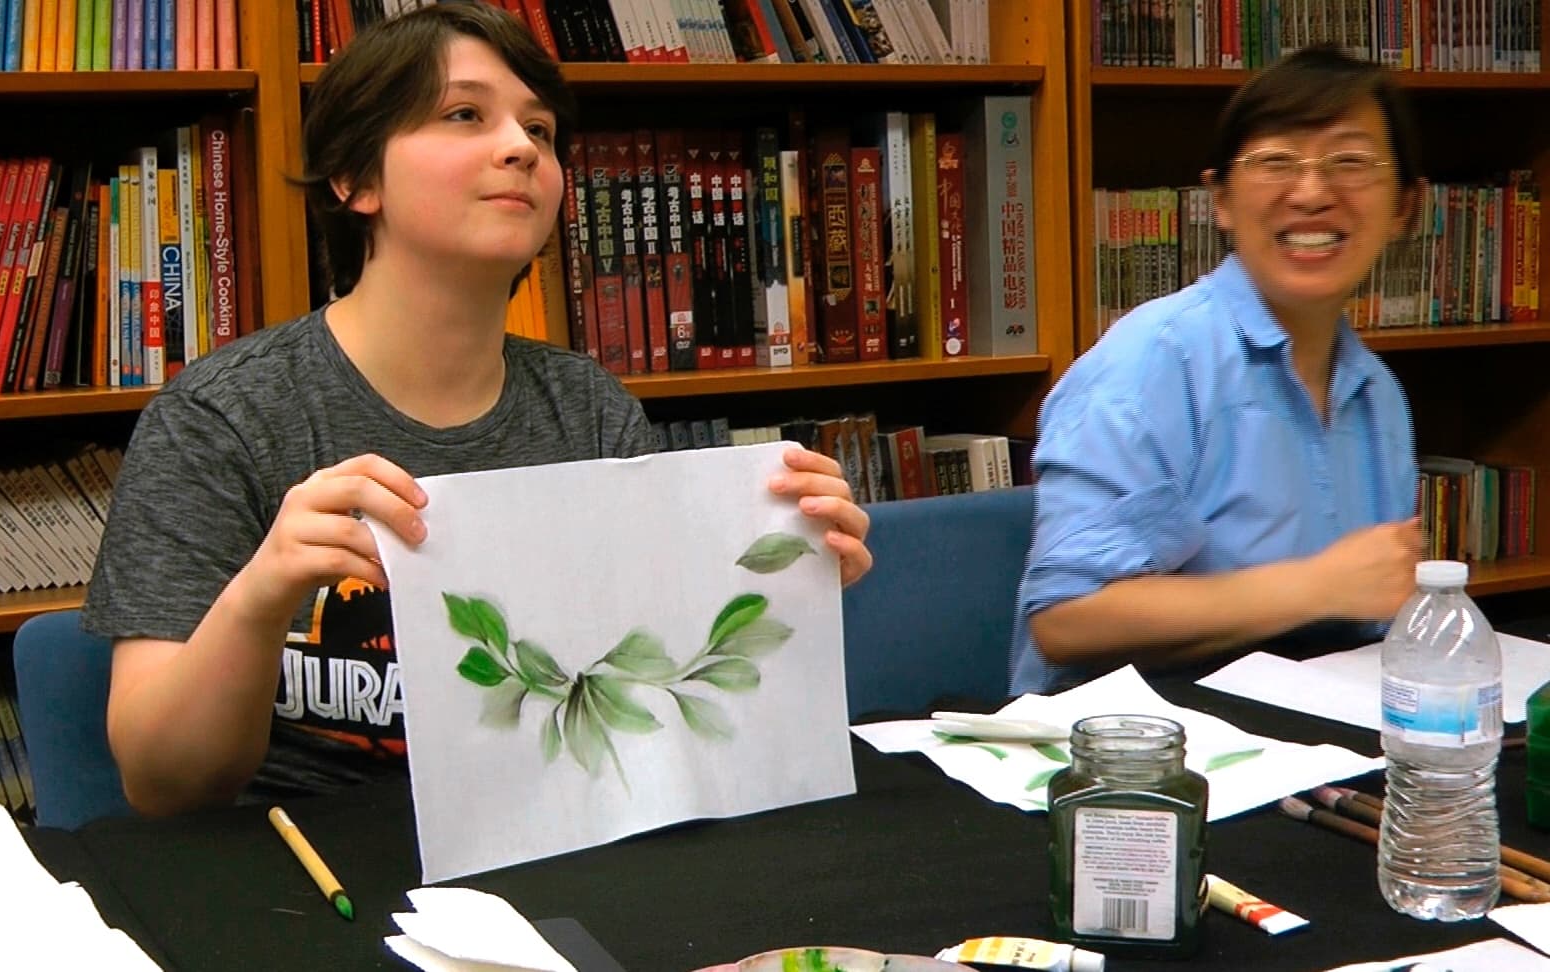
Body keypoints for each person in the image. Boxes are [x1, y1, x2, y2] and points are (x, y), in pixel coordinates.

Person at [83, 3, 872, 817]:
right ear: (355, 178)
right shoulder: (222, 417)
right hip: (311, 866)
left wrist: (784, 582)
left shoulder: (589, 411)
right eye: (465, 115)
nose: (520, 147)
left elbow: (648, 706)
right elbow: (162, 783)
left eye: (539, 129)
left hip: (552, 837)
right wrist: (262, 593)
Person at [1009, 45, 1425, 696]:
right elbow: (1066, 617)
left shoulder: (1378, 396)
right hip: (1139, 756)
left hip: (1314, 737)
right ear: (1221, 200)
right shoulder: (1156, 363)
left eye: (1350, 161)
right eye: (1276, 161)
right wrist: (1315, 586)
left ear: (1405, 206)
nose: (1313, 192)